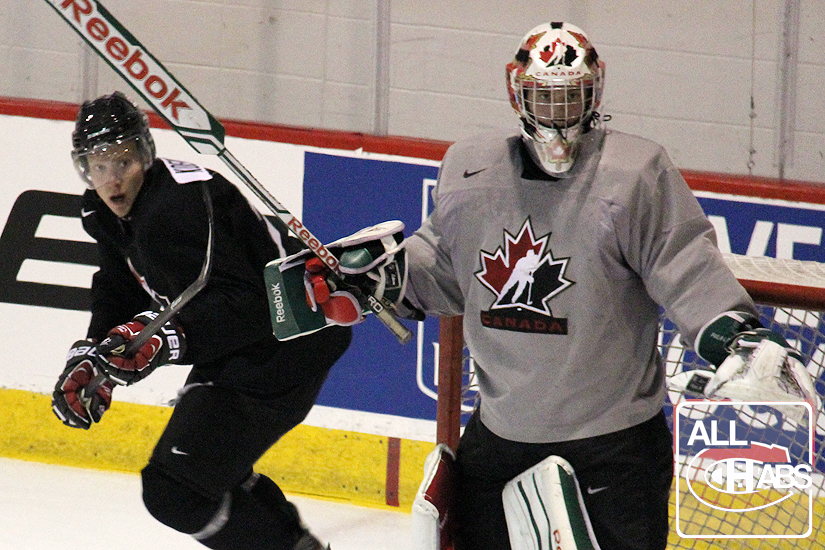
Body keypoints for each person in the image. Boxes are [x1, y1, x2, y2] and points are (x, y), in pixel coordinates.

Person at [298, 22, 816, 550]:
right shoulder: (470, 169)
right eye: (544, 97)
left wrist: (736, 336)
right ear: (515, 89)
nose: (557, 115)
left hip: (612, 450)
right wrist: (378, 280)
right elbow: (446, 267)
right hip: (500, 441)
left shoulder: (635, 174)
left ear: (595, 90)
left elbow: (685, 264)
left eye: (570, 97)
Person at [51, 91, 352, 550]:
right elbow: (120, 284)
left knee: (176, 491)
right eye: (98, 165)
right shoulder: (105, 212)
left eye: (123, 162)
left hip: (288, 345)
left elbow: (251, 304)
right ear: (83, 169)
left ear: (146, 156)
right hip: (242, 342)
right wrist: (92, 354)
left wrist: (170, 339)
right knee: (197, 476)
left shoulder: (175, 210)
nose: (112, 181)